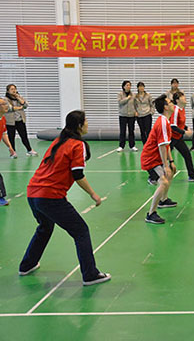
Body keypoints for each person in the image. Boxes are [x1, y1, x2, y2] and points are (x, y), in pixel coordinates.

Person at [18, 110, 111, 286]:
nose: (88, 123)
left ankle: (27, 265)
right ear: (79, 125)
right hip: (50, 196)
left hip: (33, 193)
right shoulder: (77, 145)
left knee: (45, 227)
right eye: (86, 121)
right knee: (81, 231)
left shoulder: (58, 141)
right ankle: (90, 274)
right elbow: (77, 174)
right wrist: (93, 194)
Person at [141, 94, 178, 224]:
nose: (172, 103)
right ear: (165, 107)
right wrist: (165, 165)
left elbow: (166, 145)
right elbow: (162, 146)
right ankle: (151, 213)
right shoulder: (162, 122)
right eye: (170, 102)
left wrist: (171, 162)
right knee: (163, 182)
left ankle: (163, 200)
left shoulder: (166, 121)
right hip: (150, 159)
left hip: (157, 157)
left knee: (170, 173)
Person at [170, 91, 194, 182]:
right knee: (162, 158)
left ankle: (192, 175)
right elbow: (173, 126)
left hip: (178, 138)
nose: (184, 98)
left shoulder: (182, 109)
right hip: (171, 138)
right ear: (177, 100)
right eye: (182, 97)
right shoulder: (175, 110)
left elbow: (180, 124)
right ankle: (153, 177)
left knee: (187, 154)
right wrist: (185, 132)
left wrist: (186, 128)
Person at [4, 84, 37, 157]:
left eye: (15, 89)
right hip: (10, 121)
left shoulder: (19, 97)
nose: (14, 90)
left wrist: (18, 98)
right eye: (12, 89)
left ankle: (29, 150)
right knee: (11, 137)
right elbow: (9, 108)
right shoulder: (5, 99)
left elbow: (25, 105)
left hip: (20, 120)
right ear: (8, 91)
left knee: (24, 136)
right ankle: (13, 152)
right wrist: (19, 108)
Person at [0, 99, 16, 206]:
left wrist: (10, 146)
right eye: (4, 104)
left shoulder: (3, 119)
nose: (7, 106)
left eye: (6, 104)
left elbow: (4, 133)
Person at [117, 80, 137, 152]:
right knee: (123, 131)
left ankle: (132, 145)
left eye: (129, 85)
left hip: (131, 115)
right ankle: (121, 146)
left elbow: (135, 104)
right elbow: (120, 102)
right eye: (127, 85)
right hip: (123, 115)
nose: (129, 86)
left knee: (131, 131)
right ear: (123, 86)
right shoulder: (120, 94)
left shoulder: (133, 95)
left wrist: (135, 111)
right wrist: (127, 98)